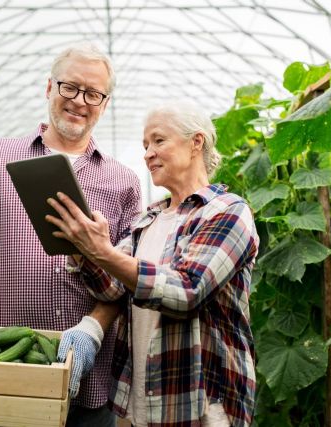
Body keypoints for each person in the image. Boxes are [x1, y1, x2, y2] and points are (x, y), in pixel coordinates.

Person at [0, 43, 142, 427]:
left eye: (93, 94)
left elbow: (127, 275)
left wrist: (92, 329)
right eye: (69, 87)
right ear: (48, 87)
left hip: (86, 383)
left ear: (104, 104)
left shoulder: (123, 181)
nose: (79, 101)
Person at [46, 102, 258, 427]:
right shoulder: (148, 219)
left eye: (158, 141)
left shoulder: (226, 212)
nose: (148, 154)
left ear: (196, 142)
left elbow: (186, 291)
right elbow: (111, 287)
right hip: (139, 403)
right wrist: (80, 246)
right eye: (145, 145)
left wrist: (102, 251)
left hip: (199, 406)